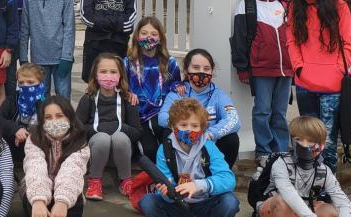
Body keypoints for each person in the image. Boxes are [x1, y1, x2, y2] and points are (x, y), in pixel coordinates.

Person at [140, 97, 240, 217]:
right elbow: (164, 182)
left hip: (204, 205)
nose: (189, 130)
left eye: (195, 126)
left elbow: (228, 179)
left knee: (230, 201)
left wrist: (199, 185)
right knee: (148, 202)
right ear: (173, 126)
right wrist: (166, 192)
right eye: (184, 125)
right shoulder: (164, 149)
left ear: (202, 128)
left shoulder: (209, 147)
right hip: (178, 207)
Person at [257, 116, 351, 217]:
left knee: (334, 213)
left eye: (311, 141)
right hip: (274, 212)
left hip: (305, 214)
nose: (304, 145)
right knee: (284, 201)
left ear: (321, 144)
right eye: (298, 139)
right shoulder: (281, 163)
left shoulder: (324, 171)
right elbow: (288, 193)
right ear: (291, 140)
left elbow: (345, 204)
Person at [286, 0, 351, 171]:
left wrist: (337, 70)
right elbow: (292, 41)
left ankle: (328, 182)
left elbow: (347, 44)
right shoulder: (295, 6)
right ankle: (309, 178)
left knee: (328, 141)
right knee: (307, 138)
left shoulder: (340, 7)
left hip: (332, 86)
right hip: (304, 83)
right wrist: (299, 68)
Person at [230, 0, 294, 169]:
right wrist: (241, 67)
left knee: (280, 112)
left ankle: (281, 149)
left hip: (285, 69)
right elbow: (239, 39)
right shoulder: (246, 5)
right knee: (262, 111)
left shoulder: (285, 3)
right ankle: (264, 151)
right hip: (261, 69)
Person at [22, 95, 91, 217]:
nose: (54, 121)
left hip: (65, 187)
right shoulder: (34, 138)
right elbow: (35, 166)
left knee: (74, 194)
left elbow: (72, 170)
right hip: (41, 184)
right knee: (32, 192)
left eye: (59, 116)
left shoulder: (80, 141)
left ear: (70, 117)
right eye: (48, 117)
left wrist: (62, 201)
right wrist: (38, 200)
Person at [76, 53, 142, 201]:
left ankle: (126, 180)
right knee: (102, 139)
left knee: (120, 138)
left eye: (113, 72)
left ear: (120, 75)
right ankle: (94, 181)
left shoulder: (127, 99)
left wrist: (117, 128)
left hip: (122, 150)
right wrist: (101, 130)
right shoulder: (88, 98)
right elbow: (77, 130)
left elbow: (137, 132)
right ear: (95, 74)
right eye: (103, 71)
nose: (108, 76)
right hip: (97, 149)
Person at [158, 49, 240, 167]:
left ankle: (220, 173)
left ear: (212, 71)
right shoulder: (177, 93)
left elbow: (234, 120)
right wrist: (188, 129)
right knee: (167, 132)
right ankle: (175, 172)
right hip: (183, 143)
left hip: (210, 145)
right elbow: (162, 118)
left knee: (232, 139)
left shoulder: (219, 94)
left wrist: (210, 134)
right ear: (186, 70)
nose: (201, 72)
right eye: (196, 68)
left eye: (206, 69)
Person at [125, 17, 183, 161]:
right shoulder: (128, 62)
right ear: (137, 36)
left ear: (160, 37)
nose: (149, 37)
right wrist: (127, 93)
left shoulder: (170, 62)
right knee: (149, 151)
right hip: (140, 117)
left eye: (154, 34)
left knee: (169, 147)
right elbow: (122, 86)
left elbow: (176, 84)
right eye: (144, 33)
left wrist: (178, 86)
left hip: (162, 114)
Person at [19, 0, 75, 99]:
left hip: (61, 58)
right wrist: (23, 57)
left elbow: (69, 29)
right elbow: (24, 28)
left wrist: (67, 57)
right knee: (40, 98)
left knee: (63, 97)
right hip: (38, 59)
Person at [0, 63, 47, 168]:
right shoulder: (12, 99)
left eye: (30, 82)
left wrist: (30, 135)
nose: (25, 86)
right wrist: (15, 129)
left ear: (40, 83)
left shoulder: (48, 102)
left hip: (40, 150)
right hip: (14, 149)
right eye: (21, 82)